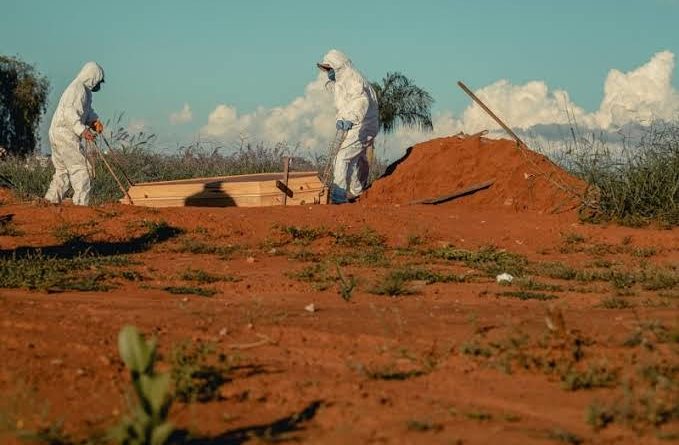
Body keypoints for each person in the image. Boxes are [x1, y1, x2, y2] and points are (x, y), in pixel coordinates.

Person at [317, 49, 379, 203]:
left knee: (342, 157)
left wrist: (351, 118)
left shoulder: (352, 77)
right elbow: (343, 106)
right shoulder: (340, 81)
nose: (327, 72)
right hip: (356, 124)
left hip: (362, 124)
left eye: (329, 68)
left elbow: (361, 101)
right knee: (357, 158)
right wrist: (341, 118)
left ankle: (339, 196)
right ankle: (356, 192)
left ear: (337, 66)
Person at [45, 62, 105, 206]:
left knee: (63, 171)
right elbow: (70, 113)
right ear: (93, 77)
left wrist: (93, 121)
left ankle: (49, 202)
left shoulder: (84, 91)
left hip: (57, 133)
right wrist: (82, 130)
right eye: (98, 81)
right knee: (81, 169)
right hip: (65, 134)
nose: (99, 86)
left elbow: (86, 111)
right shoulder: (77, 89)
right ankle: (81, 205)